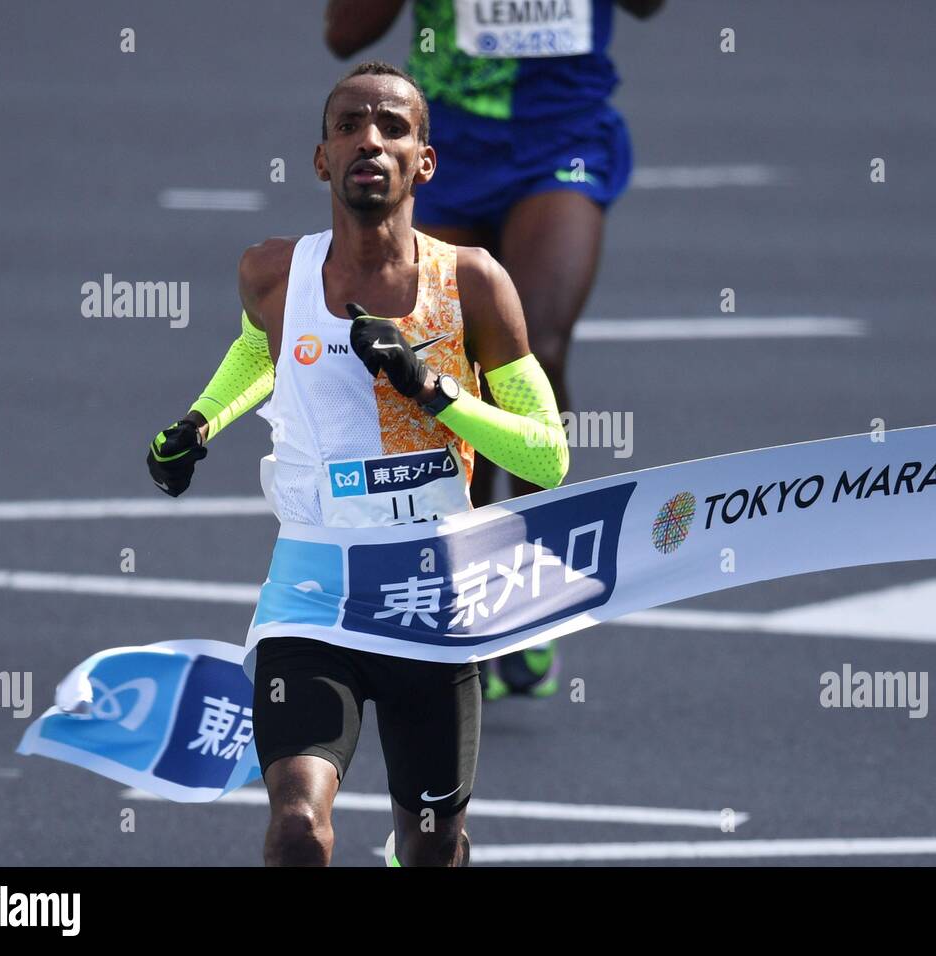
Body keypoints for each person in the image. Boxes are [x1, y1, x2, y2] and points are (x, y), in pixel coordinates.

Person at [146, 61, 569, 866]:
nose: (368, 140)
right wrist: (199, 423)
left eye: (393, 127)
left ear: (425, 161)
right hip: (313, 592)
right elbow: (256, 352)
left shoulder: (473, 283)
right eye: (348, 127)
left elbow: (547, 457)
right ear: (321, 159)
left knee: (432, 844)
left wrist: (431, 389)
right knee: (298, 827)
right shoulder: (272, 272)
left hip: (432, 599)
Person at [323, 0, 664, 699]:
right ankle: (466, 574)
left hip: (561, 133)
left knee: (532, 347)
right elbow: (345, 35)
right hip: (448, 136)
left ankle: (535, 578)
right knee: (448, 361)